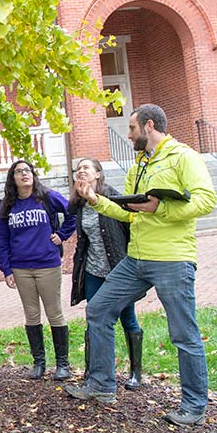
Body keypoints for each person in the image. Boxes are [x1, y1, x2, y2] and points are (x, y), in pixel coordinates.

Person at [65, 104, 216, 427]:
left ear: (149, 126)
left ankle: (193, 406)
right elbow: (132, 212)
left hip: (172, 259)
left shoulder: (182, 157)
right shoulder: (139, 164)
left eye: (132, 128)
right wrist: (96, 200)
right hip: (136, 259)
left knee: (183, 333)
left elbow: (206, 200)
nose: (129, 133)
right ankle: (101, 385)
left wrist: (159, 209)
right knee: (99, 309)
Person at [0, 160, 77, 381]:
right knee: (31, 314)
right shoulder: (8, 205)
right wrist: (6, 269)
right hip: (21, 267)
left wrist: (62, 235)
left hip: (47, 264)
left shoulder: (47, 197)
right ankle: (39, 362)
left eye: (27, 170)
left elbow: (72, 212)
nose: (24, 174)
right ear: (12, 178)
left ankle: (62, 364)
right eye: (18, 172)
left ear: (33, 174)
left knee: (54, 312)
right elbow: (1, 238)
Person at [67, 157, 143, 390]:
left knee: (127, 318)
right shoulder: (79, 203)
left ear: (98, 174)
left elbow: (131, 228)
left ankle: (135, 372)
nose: (81, 171)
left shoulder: (113, 197)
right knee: (94, 317)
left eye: (86, 168)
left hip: (117, 269)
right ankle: (93, 372)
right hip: (92, 270)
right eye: (78, 169)